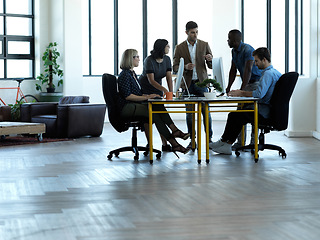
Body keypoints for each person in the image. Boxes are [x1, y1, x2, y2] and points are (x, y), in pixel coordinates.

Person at [117, 49, 190, 155]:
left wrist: (149, 96)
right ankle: (174, 142)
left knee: (158, 105)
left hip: (134, 105)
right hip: (127, 107)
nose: (139, 59)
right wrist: (147, 97)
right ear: (130, 59)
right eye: (136, 57)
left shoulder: (132, 74)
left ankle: (174, 133)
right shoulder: (124, 75)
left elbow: (136, 93)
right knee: (154, 114)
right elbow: (128, 96)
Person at [210, 47, 281, 155]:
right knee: (237, 115)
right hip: (269, 110)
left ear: (264, 60)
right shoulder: (276, 73)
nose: (255, 64)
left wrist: (241, 93)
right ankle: (224, 143)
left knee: (235, 116)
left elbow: (259, 94)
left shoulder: (268, 74)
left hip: (264, 111)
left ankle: (225, 143)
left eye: (257, 61)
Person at [139, 39, 189, 151]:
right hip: (145, 89)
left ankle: (167, 142)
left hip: (158, 89)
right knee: (154, 114)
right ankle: (170, 135)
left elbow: (168, 77)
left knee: (160, 110)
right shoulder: (149, 60)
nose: (169, 48)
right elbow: (151, 80)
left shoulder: (167, 59)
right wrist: (165, 90)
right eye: (167, 46)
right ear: (161, 47)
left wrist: (171, 92)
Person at [173, 21, 214, 149]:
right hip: (188, 84)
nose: (195, 34)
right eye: (192, 32)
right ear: (186, 32)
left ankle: (209, 139)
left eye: (196, 32)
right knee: (190, 113)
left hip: (202, 83)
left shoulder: (204, 45)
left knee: (205, 112)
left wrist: (210, 59)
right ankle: (192, 140)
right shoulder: (179, 48)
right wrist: (185, 66)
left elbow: (212, 65)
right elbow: (174, 67)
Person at [225, 29, 262, 150]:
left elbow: (248, 71)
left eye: (229, 38)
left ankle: (252, 143)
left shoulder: (248, 50)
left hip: (255, 83)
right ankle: (240, 143)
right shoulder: (234, 51)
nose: (227, 41)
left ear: (235, 40)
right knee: (240, 112)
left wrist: (242, 90)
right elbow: (233, 69)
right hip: (247, 83)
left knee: (252, 113)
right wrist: (228, 86)